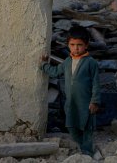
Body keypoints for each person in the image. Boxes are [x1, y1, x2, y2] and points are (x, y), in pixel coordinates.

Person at [40, 26, 101, 156]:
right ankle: (80, 146)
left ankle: (87, 151)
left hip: (86, 102)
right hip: (71, 102)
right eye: (72, 45)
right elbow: (56, 71)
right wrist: (44, 65)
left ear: (86, 45)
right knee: (71, 125)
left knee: (87, 127)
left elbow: (96, 83)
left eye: (79, 45)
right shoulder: (68, 61)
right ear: (68, 45)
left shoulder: (91, 63)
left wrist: (95, 101)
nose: (76, 48)